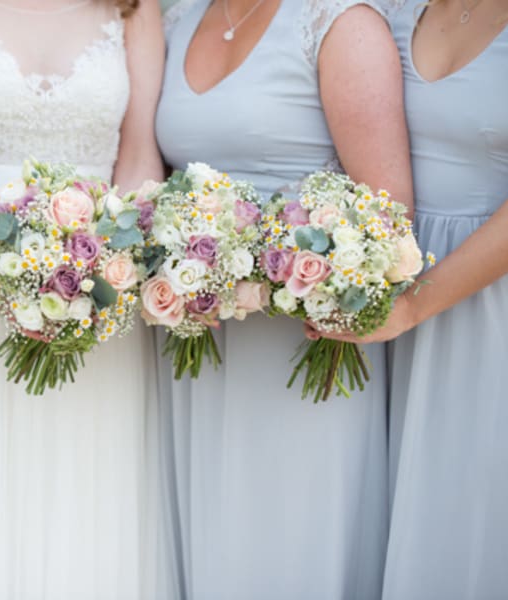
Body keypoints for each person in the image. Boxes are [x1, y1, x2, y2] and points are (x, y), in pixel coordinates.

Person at [0, 0, 176, 596]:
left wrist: (103, 272)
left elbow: (141, 158)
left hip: (97, 303)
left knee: (91, 501)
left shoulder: (134, 9)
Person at [154, 0, 410, 597]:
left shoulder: (340, 22)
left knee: (292, 545)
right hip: (198, 350)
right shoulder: (180, 18)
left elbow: (389, 216)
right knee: (211, 538)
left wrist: (277, 274)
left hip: (306, 350)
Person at [313, 2, 508, 597]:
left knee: (463, 517)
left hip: (484, 301)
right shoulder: (391, 11)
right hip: (387, 297)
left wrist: (414, 305)